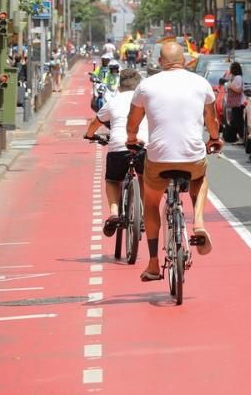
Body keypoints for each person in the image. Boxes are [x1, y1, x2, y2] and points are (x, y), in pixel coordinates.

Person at [126, 41, 222, 282]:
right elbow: (212, 120)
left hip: (158, 159)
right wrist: (213, 138)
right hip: (192, 157)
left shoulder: (146, 85)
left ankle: (153, 263)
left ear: (160, 62)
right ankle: (198, 221)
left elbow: (132, 121)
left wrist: (131, 138)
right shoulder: (200, 84)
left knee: (150, 202)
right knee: (200, 179)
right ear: (186, 60)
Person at [84, 69, 149, 236]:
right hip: (143, 146)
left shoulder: (113, 101)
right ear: (139, 86)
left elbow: (95, 122)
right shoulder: (146, 100)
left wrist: (90, 135)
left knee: (113, 180)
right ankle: (142, 213)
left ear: (119, 87)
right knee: (143, 177)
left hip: (118, 148)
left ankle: (114, 213)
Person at [224, 62, 246, 144]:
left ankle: (241, 137)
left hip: (239, 104)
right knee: (234, 121)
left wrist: (230, 86)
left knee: (238, 121)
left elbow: (239, 89)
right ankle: (238, 137)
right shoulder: (234, 77)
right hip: (234, 103)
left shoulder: (238, 78)